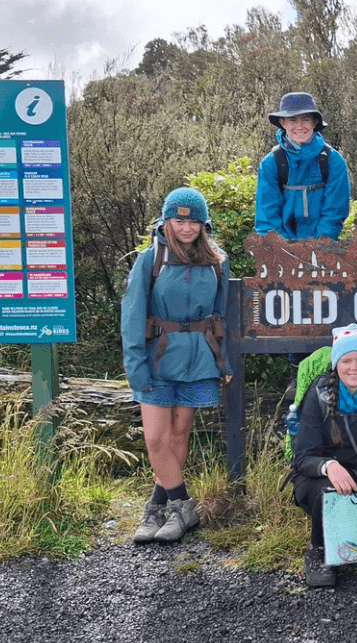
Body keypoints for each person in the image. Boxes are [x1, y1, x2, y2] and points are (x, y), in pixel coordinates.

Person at [121, 187, 232, 544]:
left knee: (180, 435)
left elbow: (220, 317)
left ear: (204, 224)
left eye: (193, 221)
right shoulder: (148, 260)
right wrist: (135, 366)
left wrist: (223, 361)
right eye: (179, 219)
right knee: (156, 438)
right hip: (157, 358)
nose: (186, 227)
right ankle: (184, 505)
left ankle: (158, 509)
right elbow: (132, 316)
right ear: (166, 221)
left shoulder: (217, 261)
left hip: (199, 359)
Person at [288, 323, 357, 588]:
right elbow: (302, 457)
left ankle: (343, 538)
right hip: (315, 482)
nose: (354, 368)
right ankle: (318, 553)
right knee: (328, 491)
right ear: (336, 363)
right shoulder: (318, 396)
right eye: (347, 360)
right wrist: (329, 466)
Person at [255, 91, 351, 378]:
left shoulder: (333, 161)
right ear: (283, 124)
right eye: (292, 120)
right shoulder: (271, 163)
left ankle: (329, 384)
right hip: (285, 257)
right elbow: (267, 218)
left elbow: (335, 212)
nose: (299, 126)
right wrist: (287, 255)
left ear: (315, 122)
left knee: (327, 319)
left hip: (326, 254)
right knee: (292, 324)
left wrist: (317, 252)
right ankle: (300, 386)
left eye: (305, 119)